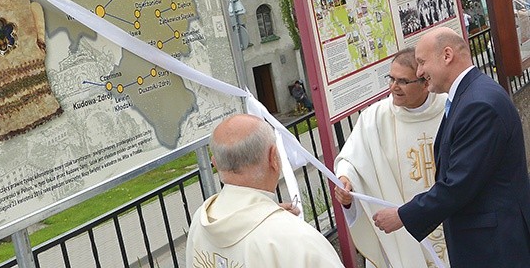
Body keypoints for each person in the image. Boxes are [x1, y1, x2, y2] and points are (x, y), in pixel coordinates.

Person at [373, 27, 530, 268]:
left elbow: (459, 184)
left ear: (447, 56)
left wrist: (402, 216)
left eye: (422, 62)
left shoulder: (479, 104)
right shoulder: (470, 95)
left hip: (494, 246)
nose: (419, 71)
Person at [334, 48, 449, 267]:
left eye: (403, 81)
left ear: (426, 82)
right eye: (391, 79)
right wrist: (347, 182)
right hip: (401, 237)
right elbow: (351, 160)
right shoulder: (375, 118)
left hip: (451, 225)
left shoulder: (449, 110)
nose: (393, 87)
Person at [185, 114, 344, 268]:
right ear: (273, 158)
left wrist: (269, 216)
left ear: (216, 164)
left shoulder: (199, 220)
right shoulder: (300, 240)